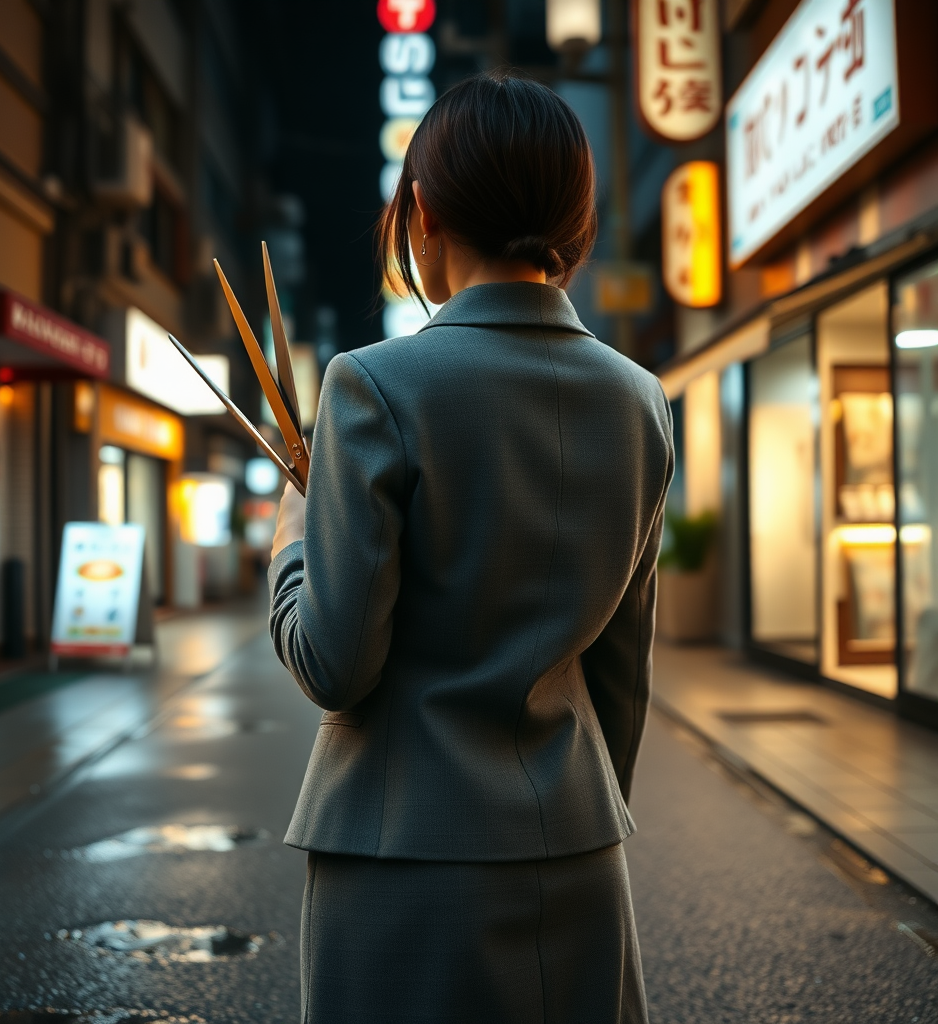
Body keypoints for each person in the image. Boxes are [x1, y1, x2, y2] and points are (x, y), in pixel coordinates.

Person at [269, 69, 673, 1024]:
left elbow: (334, 661)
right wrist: (574, 804)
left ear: (422, 211)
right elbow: (622, 671)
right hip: (577, 854)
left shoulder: (371, 384)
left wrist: (295, 538)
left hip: (398, 855)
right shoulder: (640, 400)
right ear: (572, 221)